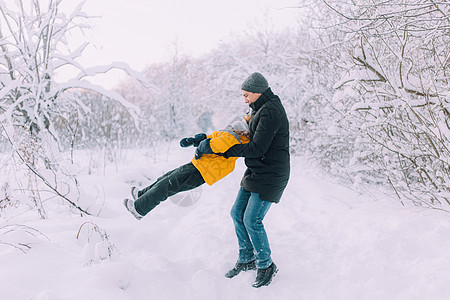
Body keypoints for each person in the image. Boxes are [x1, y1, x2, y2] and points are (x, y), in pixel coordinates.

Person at [196, 72, 290, 288]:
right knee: (236, 213)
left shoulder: (271, 112)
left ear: (258, 92)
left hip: (271, 173)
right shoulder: (258, 108)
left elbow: (257, 148)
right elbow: (244, 132)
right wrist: (215, 140)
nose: (244, 99)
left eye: (246, 95)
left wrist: (225, 151)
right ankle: (247, 259)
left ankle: (266, 265)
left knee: (252, 220)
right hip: (257, 171)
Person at [123, 119, 250, 220]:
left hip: (202, 172)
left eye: (233, 126)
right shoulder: (230, 135)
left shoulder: (233, 138)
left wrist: (201, 147)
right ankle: (141, 195)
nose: (231, 126)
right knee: (166, 178)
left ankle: (139, 209)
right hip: (198, 166)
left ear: (240, 131)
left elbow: (213, 145)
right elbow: (213, 136)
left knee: (167, 185)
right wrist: (195, 140)